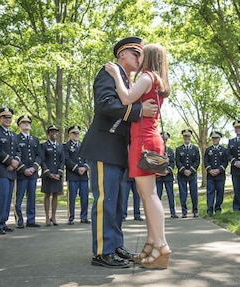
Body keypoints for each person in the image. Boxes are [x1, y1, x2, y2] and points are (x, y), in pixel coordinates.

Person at [79, 36, 157, 269]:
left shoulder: (126, 81)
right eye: (136, 54)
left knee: (119, 202)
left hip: (119, 149)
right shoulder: (108, 73)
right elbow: (104, 104)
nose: (139, 58)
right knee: (106, 201)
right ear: (122, 54)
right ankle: (103, 252)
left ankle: (115, 245)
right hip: (105, 146)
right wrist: (138, 109)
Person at [104, 43, 172, 269]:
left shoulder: (147, 77)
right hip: (147, 139)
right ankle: (152, 243)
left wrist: (115, 75)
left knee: (150, 195)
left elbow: (125, 99)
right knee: (146, 195)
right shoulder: (155, 79)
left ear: (149, 57)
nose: (138, 57)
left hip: (143, 141)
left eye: (141, 54)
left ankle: (161, 245)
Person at [0, 107, 21, 235]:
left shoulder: (13, 135)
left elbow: (18, 151)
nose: (8, 119)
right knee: (2, 195)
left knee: (8, 197)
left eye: (9, 117)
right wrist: (10, 161)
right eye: (5, 117)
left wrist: (15, 162)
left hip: (11, 171)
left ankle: (3, 222)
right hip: (0, 169)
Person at [15, 115, 41, 228]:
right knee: (19, 198)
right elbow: (15, 155)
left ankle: (31, 220)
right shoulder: (15, 138)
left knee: (32, 198)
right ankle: (19, 220)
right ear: (19, 125)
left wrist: (34, 168)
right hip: (21, 174)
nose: (26, 124)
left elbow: (39, 156)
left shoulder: (35, 139)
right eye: (23, 122)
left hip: (33, 174)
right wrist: (23, 169)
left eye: (28, 122)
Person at [64, 125, 90, 225]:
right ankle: (71, 217)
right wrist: (76, 168)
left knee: (85, 197)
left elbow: (88, 157)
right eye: (74, 133)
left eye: (77, 133)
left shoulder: (83, 145)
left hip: (83, 176)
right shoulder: (66, 146)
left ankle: (84, 217)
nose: (76, 135)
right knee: (71, 197)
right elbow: (66, 159)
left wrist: (85, 167)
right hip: (73, 175)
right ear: (70, 134)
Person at [41, 125, 65, 226]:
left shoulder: (60, 146)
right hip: (48, 175)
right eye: (51, 131)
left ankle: (53, 217)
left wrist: (59, 173)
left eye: (55, 131)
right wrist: (48, 173)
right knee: (47, 195)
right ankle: (47, 218)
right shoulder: (44, 145)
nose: (54, 133)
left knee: (55, 195)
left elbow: (62, 160)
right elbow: (42, 160)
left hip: (57, 175)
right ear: (48, 133)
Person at [175, 129, 200, 218]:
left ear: (190, 137)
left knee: (194, 193)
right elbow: (177, 161)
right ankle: (184, 211)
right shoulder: (178, 149)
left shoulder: (195, 148)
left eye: (188, 136)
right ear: (183, 137)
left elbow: (197, 161)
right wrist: (184, 170)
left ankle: (195, 211)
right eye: (185, 136)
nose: (187, 138)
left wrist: (191, 170)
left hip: (192, 175)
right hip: (182, 175)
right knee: (183, 194)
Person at [204, 131, 228, 216]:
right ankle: (209, 209)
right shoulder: (208, 150)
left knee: (220, 192)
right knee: (210, 192)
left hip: (220, 176)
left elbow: (225, 162)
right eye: (213, 138)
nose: (215, 140)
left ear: (219, 139)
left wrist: (219, 170)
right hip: (210, 176)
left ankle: (218, 208)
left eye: (216, 138)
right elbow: (206, 161)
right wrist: (210, 170)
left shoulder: (224, 150)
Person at [156, 132, 178, 218]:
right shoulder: (156, 150)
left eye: (165, 139)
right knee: (158, 195)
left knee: (170, 195)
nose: (164, 141)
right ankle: (158, 213)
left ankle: (173, 212)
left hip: (168, 176)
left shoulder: (170, 151)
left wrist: (168, 170)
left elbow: (172, 163)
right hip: (159, 176)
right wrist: (160, 170)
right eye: (162, 139)